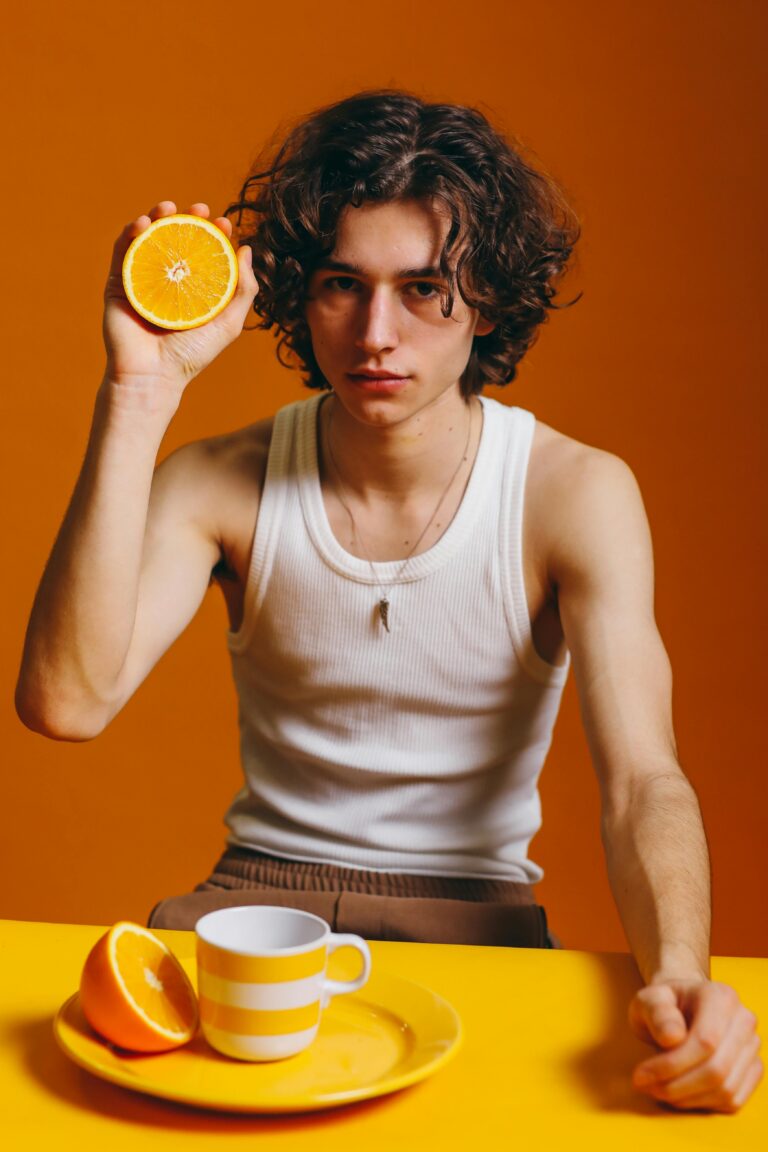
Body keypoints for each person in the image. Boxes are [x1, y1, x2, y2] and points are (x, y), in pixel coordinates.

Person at [15, 89, 761, 1111]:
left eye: (424, 290)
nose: (376, 333)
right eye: (341, 284)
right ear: (297, 295)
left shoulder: (572, 494)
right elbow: (68, 702)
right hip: (251, 915)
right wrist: (138, 396)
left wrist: (682, 970)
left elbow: (643, 780)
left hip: (480, 919)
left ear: (487, 300)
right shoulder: (220, 479)